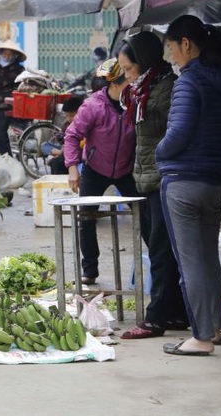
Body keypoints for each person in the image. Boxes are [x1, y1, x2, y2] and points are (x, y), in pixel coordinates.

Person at [156, 15, 221, 356]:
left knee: (190, 262)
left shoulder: (189, 82)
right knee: (209, 258)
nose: (171, 56)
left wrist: (159, 152)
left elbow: (177, 135)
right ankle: (216, 329)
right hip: (214, 181)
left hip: (182, 183)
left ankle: (201, 337)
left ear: (186, 43)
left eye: (171, 47)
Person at [117, 31, 189, 339]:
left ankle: (157, 317)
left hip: (163, 177)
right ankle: (175, 312)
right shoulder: (142, 90)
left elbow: (172, 131)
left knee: (161, 249)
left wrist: (161, 159)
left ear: (143, 62)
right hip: (146, 177)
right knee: (158, 246)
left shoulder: (165, 88)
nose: (126, 76)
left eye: (129, 69)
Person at [63, 58, 137, 285]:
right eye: (128, 80)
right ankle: (90, 270)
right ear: (115, 83)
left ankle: (156, 262)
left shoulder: (135, 102)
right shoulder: (93, 106)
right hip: (95, 169)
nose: (132, 83)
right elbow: (72, 136)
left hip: (126, 171)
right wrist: (73, 168)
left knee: (146, 217)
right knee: (86, 218)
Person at [0, 40, 26, 156]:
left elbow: (20, 87)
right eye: (5, 53)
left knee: (1, 134)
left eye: (10, 54)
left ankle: (7, 157)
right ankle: (5, 157)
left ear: (15, 55)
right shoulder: (0, 66)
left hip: (7, 104)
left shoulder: (19, 69)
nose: (7, 56)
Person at [42, 94, 85, 175]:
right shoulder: (66, 125)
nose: (69, 119)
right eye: (67, 116)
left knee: (56, 162)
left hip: (79, 151)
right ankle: (60, 153)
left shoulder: (85, 123)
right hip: (67, 148)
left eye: (72, 116)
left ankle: (61, 154)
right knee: (45, 146)